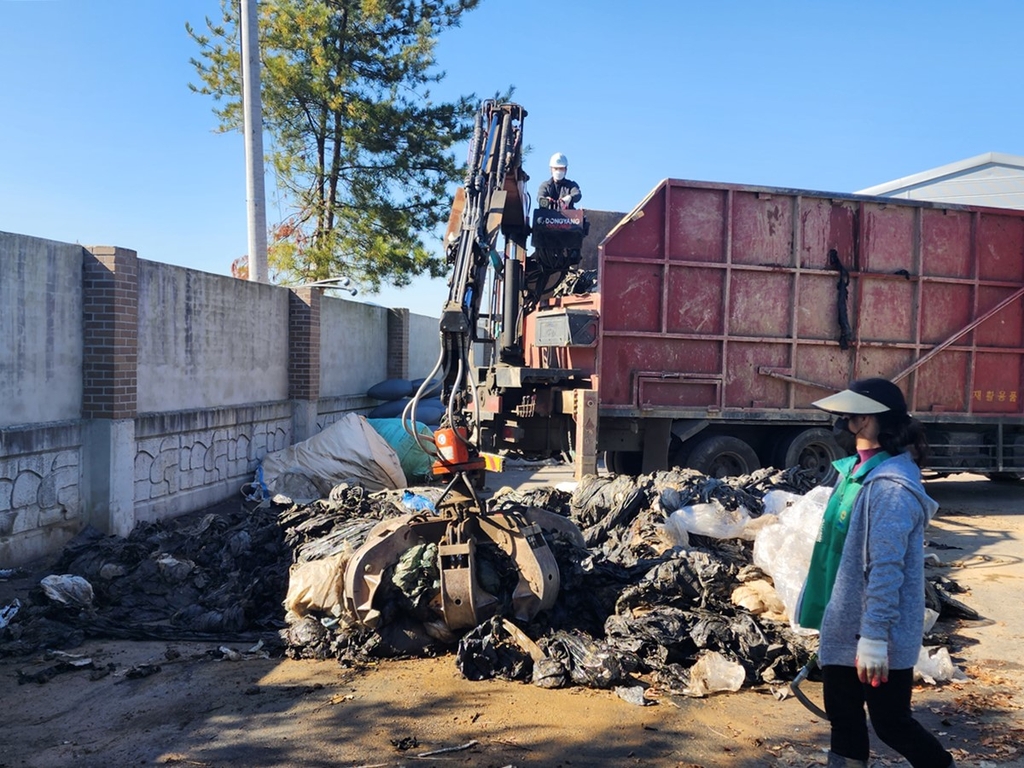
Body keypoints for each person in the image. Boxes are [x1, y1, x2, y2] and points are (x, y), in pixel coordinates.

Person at [798, 378, 955, 768]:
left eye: (846, 415)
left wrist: (873, 638)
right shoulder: (854, 474)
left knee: (891, 723)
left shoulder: (891, 487)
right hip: (844, 624)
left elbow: (886, 568)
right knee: (844, 721)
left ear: (866, 420)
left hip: (872, 634)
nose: (840, 423)